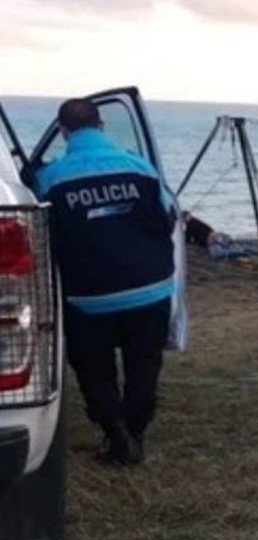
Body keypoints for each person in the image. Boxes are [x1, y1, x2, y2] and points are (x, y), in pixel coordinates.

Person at [34, 98, 178, 466]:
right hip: (150, 289)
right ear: (101, 126)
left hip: (89, 297)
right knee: (144, 363)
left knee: (93, 367)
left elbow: (42, 238)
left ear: (64, 132)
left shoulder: (51, 179)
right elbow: (167, 219)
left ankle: (116, 433)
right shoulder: (140, 167)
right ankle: (137, 432)